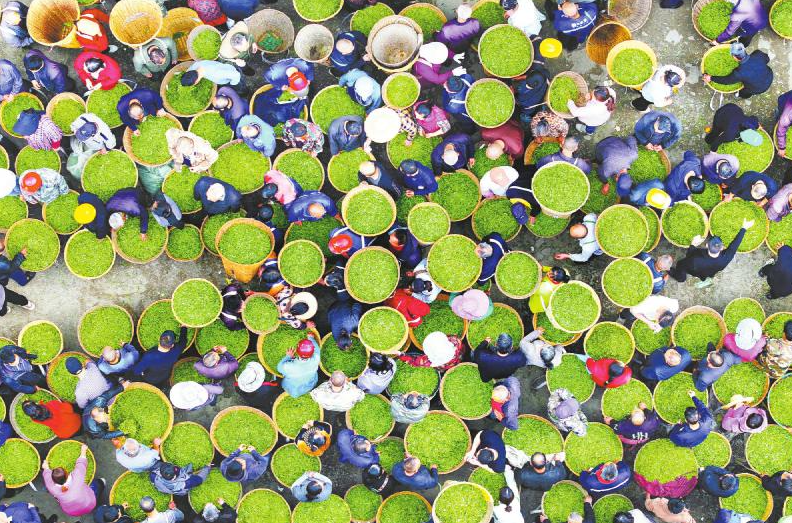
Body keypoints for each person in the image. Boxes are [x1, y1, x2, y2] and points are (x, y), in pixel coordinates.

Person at [669, 219, 754, 287]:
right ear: (722, 247)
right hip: (709, 272)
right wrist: (744, 228)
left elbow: (689, 256)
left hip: (695, 270)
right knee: (704, 275)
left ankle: (680, 278)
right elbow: (734, 245)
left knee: (681, 265)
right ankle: (704, 280)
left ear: (706, 245)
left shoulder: (695, 258)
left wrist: (692, 244)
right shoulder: (726, 258)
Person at [44, 445, 103, 517]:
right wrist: (83, 450)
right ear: (67, 474)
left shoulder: (52, 488)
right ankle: (101, 483)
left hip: (71, 511)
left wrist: (46, 468)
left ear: (53, 480)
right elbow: (81, 464)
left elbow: (47, 478)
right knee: (96, 485)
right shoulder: (77, 478)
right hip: (89, 504)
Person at [703, 43, 772, 99]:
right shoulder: (758, 54)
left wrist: (711, 78)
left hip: (759, 88)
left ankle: (742, 96)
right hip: (770, 76)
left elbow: (726, 80)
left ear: (734, 57)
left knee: (745, 92)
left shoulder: (739, 73)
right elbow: (767, 59)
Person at [400, 332, 464, 371]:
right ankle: (456, 362)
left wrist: (401, 355)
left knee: (444, 367)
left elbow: (414, 362)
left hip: (445, 365)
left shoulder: (428, 361)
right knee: (457, 359)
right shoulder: (455, 341)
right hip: (456, 357)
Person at [776, 90, 792, 159]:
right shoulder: (787, 116)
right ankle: (777, 114)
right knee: (779, 115)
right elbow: (782, 127)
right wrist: (782, 147)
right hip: (784, 101)